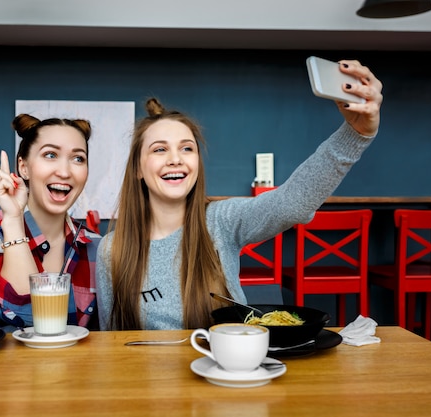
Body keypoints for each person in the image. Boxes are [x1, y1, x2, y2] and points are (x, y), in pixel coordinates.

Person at [96, 59, 383, 330]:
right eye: (160, 149)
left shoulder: (221, 221)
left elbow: (292, 205)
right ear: (137, 168)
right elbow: (111, 343)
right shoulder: (112, 251)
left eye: (187, 148)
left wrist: (355, 134)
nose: (176, 159)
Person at [0, 113, 101, 332]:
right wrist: (13, 219)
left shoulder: (96, 247)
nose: (64, 172)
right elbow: (22, 313)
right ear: (23, 168)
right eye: (50, 155)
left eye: (78, 158)